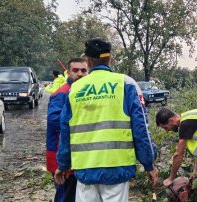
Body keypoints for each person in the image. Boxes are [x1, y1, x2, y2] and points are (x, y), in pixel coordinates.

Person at [55, 38, 159, 201]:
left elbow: (65, 130)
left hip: (85, 168)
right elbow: (141, 129)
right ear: (111, 60)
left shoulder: (75, 89)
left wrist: (63, 164)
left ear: (88, 62)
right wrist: (149, 164)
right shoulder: (126, 84)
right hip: (116, 169)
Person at [46, 57, 89, 202]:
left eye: (84, 70)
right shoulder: (63, 93)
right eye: (75, 70)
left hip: (74, 158)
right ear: (68, 72)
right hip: (62, 157)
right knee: (65, 197)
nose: (80, 73)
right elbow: (55, 122)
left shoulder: (81, 92)